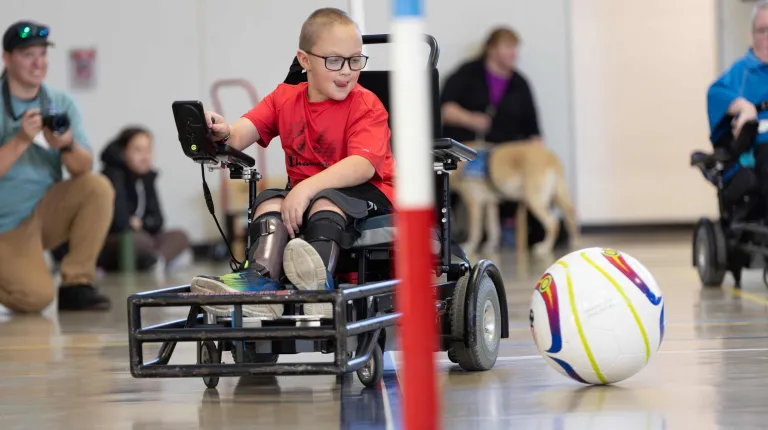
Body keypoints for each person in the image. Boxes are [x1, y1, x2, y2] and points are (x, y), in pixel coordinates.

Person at [194, 7, 394, 318]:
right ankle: (261, 285)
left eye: (355, 60)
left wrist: (307, 188)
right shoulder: (284, 98)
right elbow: (240, 134)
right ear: (305, 60)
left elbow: (362, 165)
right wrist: (222, 131)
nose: (347, 71)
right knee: (269, 203)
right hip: (311, 195)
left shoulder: (366, 104)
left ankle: (319, 287)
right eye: (334, 61)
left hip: (369, 192)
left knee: (325, 203)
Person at [0, 20, 113, 312]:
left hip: (43, 210)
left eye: (42, 54)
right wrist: (22, 139)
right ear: (6, 57)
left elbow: (83, 166)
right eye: (27, 55)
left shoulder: (59, 101)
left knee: (97, 187)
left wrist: (66, 145)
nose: (38, 63)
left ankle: (76, 284)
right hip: (5, 222)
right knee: (36, 298)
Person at [440, 26, 552, 249]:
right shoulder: (467, 73)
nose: (514, 53)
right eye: (508, 47)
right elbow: (445, 109)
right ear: (492, 49)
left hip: (505, 161)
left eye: (515, 48)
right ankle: (453, 236)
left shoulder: (520, 83)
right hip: (468, 155)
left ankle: (509, 230)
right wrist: (471, 119)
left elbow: (534, 132)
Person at [99, 126, 192, 272]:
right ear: (123, 152)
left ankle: (156, 261)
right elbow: (120, 222)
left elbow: (159, 220)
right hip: (116, 240)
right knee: (136, 240)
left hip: (147, 237)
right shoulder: (113, 176)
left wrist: (140, 223)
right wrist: (137, 224)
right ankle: (159, 260)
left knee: (180, 235)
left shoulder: (147, 178)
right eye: (138, 150)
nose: (145, 156)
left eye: (148, 150)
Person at [707, 0, 768, 215]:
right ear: (753, 35)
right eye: (763, 30)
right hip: (756, 149)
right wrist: (743, 106)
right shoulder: (742, 71)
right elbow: (715, 93)